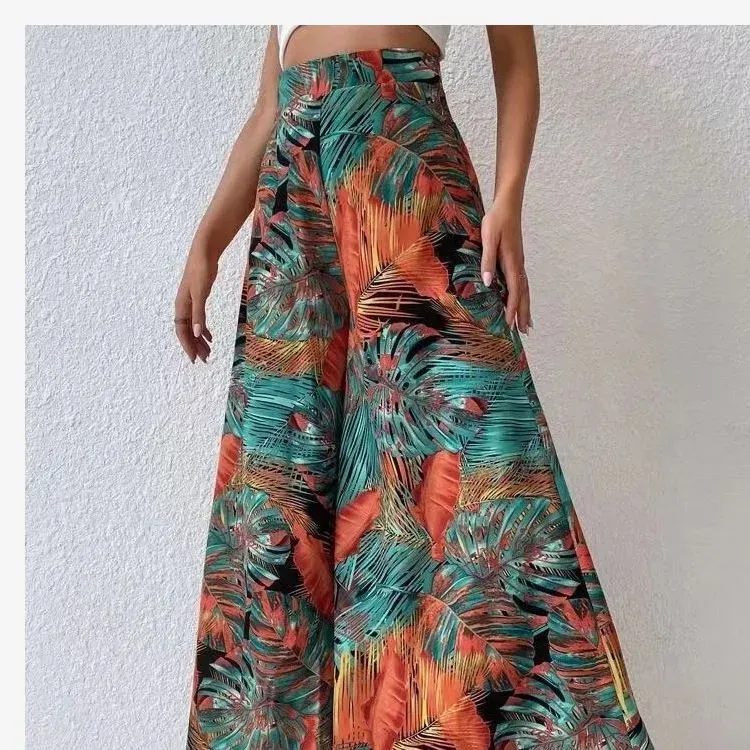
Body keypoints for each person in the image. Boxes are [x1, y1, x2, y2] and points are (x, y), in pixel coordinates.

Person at [176, 25, 654, 749]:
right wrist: (206, 242)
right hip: (295, 216)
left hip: (405, 182)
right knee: (283, 495)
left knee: (458, 472)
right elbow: (269, 110)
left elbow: (516, 57)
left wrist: (508, 200)